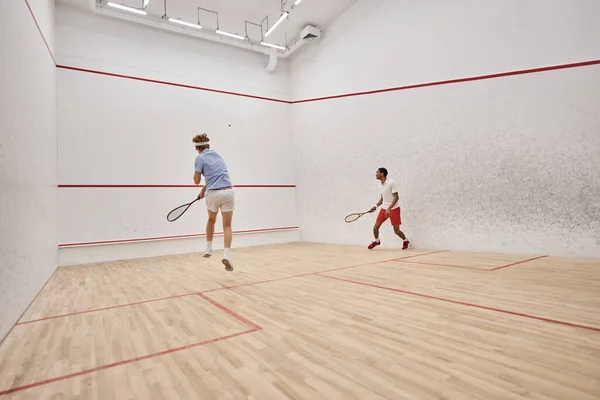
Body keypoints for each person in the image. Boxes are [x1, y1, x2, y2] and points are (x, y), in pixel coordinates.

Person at [193, 133, 235, 271]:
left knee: (211, 220)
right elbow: (217, 176)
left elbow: (196, 181)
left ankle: (208, 249)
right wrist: (203, 190)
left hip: (213, 194)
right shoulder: (218, 155)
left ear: (197, 148)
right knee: (227, 225)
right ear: (209, 146)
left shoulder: (199, 158)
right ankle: (227, 256)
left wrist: (197, 171)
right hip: (228, 192)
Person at [367, 167, 409, 250]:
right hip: (384, 208)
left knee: (396, 231)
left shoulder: (391, 183)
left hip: (394, 209)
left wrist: (389, 209)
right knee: (376, 227)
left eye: (377, 172)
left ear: (382, 174)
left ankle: (405, 240)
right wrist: (375, 206)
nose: (376, 174)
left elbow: (396, 197)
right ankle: (377, 241)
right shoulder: (379, 185)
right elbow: (383, 198)